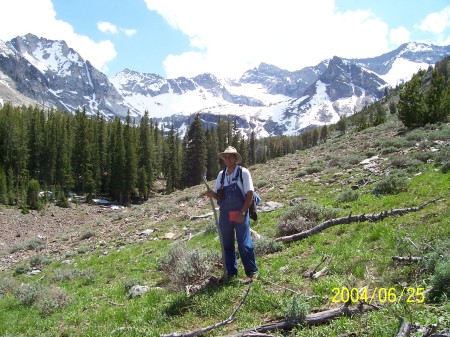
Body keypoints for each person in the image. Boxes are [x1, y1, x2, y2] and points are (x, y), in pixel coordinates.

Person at [206, 146, 259, 281]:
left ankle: (252, 272)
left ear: (236, 158)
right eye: (225, 157)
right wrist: (213, 194)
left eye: (230, 156)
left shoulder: (243, 173)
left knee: (244, 243)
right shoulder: (221, 175)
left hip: (240, 212)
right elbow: (219, 195)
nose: (228, 159)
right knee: (227, 244)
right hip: (225, 214)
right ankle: (231, 273)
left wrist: (242, 212)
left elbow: (249, 194)